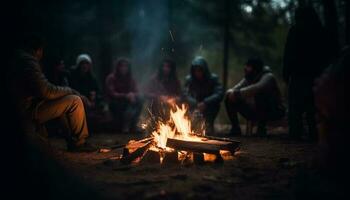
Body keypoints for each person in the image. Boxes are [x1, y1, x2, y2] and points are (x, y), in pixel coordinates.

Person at [8, 34, 96, 152]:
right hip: (26, 111)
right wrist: (72, 91)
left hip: (28, 108)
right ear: (38, 49)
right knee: (74, 100)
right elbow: (46, 91)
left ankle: (73, 141)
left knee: (65, 102)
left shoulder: (18, 57)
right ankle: (80, 142)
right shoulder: (27, 60)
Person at [283, 6, 332, 141]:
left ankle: (295, 134)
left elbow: (288, 54)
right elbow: (327, 55)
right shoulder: (320, 31)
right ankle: (313, 134)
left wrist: (286, 75)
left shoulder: (295, 30)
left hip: (299, 76)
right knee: (312, 107)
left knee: (295, 108)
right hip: (316, 76)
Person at [225, 57, 285, 136]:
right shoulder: (249, 77)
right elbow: (236, 89)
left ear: (255, 68)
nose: (245, 68)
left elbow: (258, 87)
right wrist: (230, 93)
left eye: (248, 66)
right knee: (229, 98)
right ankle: (235, 128)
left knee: (261, 94)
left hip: (274, 111)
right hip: (255, 110)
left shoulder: (268, 77)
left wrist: (236, 93)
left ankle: (261, 128)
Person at [183, 56, 224, 134]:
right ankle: (191, 127)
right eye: (195, 70)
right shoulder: (189, 80)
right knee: (183, 104)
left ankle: (208, 125)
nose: (197, 72)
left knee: (215, 105)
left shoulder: (213, 79)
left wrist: (205, 102)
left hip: (209, 106)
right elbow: (185, 94)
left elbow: (219, 93)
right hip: (194, 106)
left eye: (200, 70)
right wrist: (195, 103)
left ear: (204, 70)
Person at [105, 58, 143, 133]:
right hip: (116, 103)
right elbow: (112, 93)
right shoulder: (111, 78)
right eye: (121, 66)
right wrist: (125, 96)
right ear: (118, 67)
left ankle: (131, 124)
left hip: (129, 103)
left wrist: (132, 95)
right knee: (124, 104)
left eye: (126, 66)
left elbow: (137, 92)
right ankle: (126, 125)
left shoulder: (131, 79)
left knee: (140, 99)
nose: (123, 68)